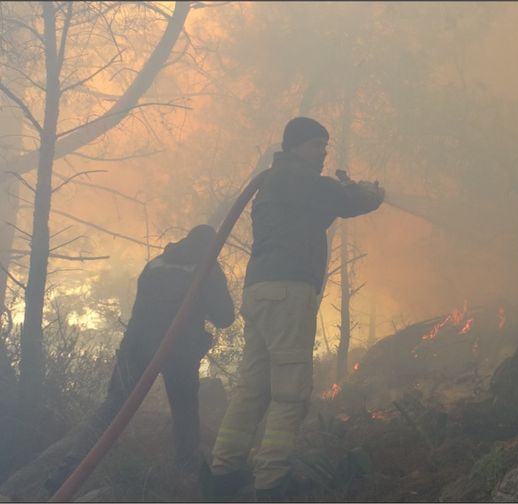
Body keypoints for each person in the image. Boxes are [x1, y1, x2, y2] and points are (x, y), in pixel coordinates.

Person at [207, 117, 384, 501]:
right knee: (290, 392)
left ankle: (224, 470)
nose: (323, 152)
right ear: (297, 146)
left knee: (252, 387)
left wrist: (343, 191)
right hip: (288, 294)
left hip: (261, 294)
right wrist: (370, 193)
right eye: (318, 144)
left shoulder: (279, 183)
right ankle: (271, 480)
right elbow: (345, 202)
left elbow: (319, 212)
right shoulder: (298, 179)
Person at [46, 224, 235, 492]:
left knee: (113, 407)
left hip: (135, 347)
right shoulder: (207, 268)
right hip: (178, 351)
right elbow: (225, 317)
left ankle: (68, 469)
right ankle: (187, 475)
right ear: (211, 247)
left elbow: (141, 310)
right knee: (184, 412)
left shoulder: (156, 264)